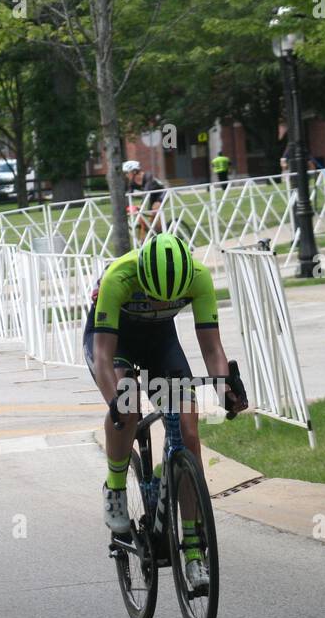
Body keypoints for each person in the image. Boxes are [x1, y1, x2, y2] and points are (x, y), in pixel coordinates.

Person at [83, 232, 248, 589]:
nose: (161, 302)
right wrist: (116, 405)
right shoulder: (118, 278)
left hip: (161, 341)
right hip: (116, 339)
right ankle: (114, 487)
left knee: (189, 434)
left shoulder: (198, 277)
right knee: (125, 402)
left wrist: (225, 390)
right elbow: (102, 359)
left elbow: (212, 347)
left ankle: (192, 549)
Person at [122, 160, 166, 243]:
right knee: (142, 218)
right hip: (151, 196)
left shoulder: (147, 176)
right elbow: (128, 195)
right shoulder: (132, 182)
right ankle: (151, 234)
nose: (126, 175)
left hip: (161, 193)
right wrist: (125, 207)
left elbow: (146, 192)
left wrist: (141, 205)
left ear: (134, 171)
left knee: (154, 210)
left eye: (127, 173)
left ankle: (163, 232)